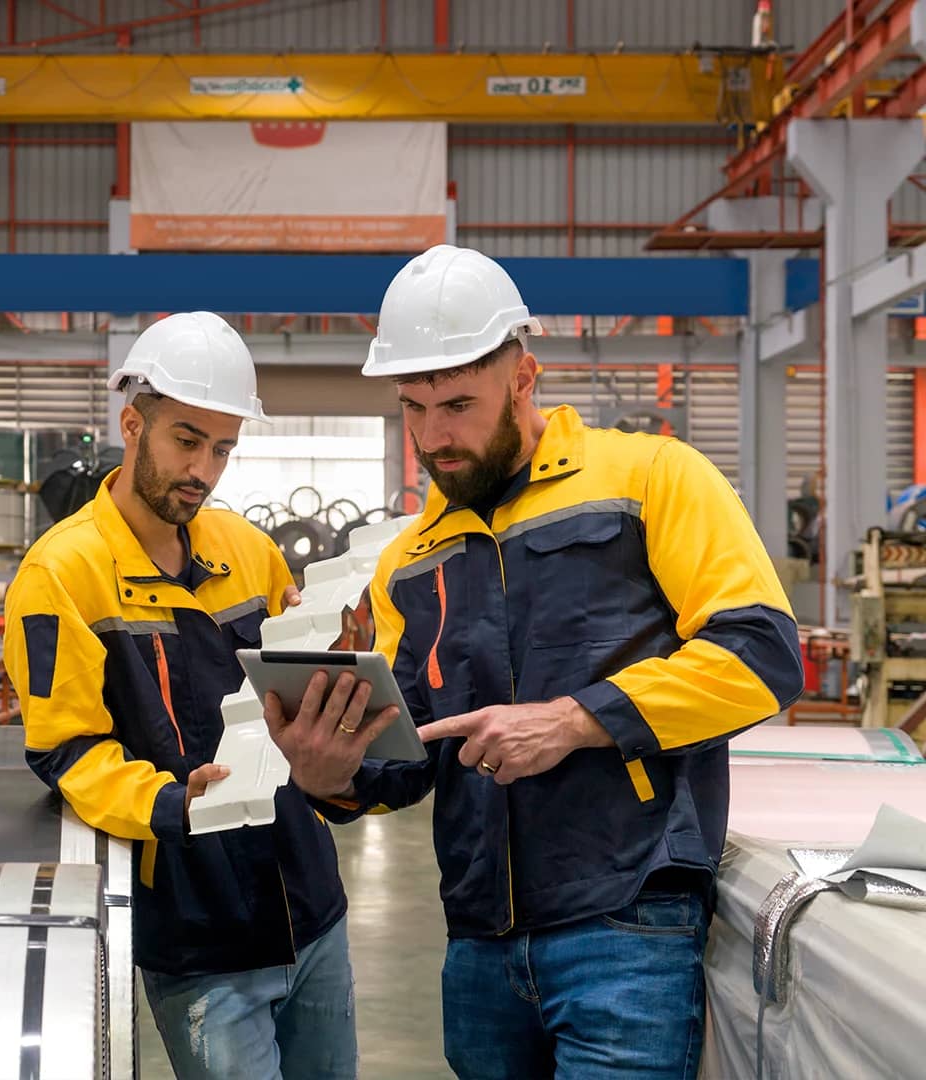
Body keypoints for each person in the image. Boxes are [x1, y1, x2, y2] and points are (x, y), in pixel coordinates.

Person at [267, 244, 804, 1079]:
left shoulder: (653, 479)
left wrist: (577, 720)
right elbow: (407, 757)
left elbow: (761, 655)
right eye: (413, 408)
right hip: (478, 946)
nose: (433, 437)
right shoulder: (412, 559)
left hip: (624, 925)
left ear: (524, 376)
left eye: (457, 405)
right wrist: (325, 773)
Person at [4, 311, 375, 1080]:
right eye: (187, 439)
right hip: (198, 933)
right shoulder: (61, 576)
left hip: (311, 909)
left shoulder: (246, 550)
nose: (204, 468)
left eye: (223, 448)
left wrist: (344, 664)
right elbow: (66, 749)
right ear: (132, 423)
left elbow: (294, 691)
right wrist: (176, 801)